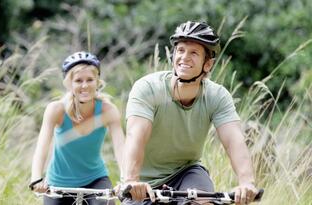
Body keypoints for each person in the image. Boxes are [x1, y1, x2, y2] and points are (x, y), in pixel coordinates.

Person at [120, 21, 259, 205]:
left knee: (203, 201)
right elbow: (136, 135)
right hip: (143, 182)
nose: (184, 57)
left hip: (186, 172)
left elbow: (234, 141)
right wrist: (131, 180)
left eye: (194, 53)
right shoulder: (148, 88)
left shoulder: (217, 96)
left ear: (207, 64)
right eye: (181, 50)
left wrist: (246, 183)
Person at [30, 51, 125, 205]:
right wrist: (36, 178)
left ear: (97, 81)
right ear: (69, 83)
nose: (85, 85)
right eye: (78, 80)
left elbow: (121, 148)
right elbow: (42, 147)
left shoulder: (108, 110)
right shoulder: (56, 110)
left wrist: (126, 179)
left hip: (95, 179)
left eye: (90, 80)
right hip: (58, 182)